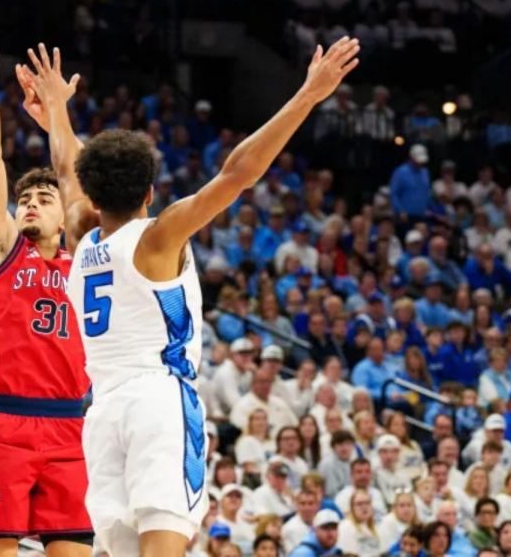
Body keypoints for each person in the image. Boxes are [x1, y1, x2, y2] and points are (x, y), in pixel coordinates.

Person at [30, 35, 360, 557]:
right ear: (149, 193)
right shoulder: (158, 237)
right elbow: (238, 174)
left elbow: (69, 170)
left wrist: (56, 112)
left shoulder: (80, 236)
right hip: (157, 400)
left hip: (103, 411)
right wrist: (307, 96)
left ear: (94, 195)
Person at [0, 39, 92, 554]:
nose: (31, 204)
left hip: (73, 425)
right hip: (6, 424)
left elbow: (89, 183)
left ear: (65, 216)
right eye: (25, 200)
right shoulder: (1, 248)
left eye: (44, 198)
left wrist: (55, 116)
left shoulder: (87, 258)